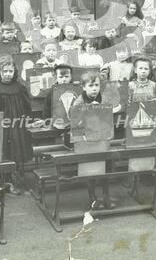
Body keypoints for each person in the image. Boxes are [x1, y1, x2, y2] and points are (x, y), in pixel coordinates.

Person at [69, 71, 116, 209]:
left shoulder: (104, 99)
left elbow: (109, 119)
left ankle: (106, 196)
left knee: (105, 169)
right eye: (91, 85)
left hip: (102, 139)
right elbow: (76, 125)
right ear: (84, 87)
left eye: (97, 85)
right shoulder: (78, 103)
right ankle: (92, 197)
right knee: (91, 170)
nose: (94, 88)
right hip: (87, 142)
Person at [0, 58, 33, 193]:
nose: (8, 74)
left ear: (14, 72)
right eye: (5, 71)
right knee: (6, 150)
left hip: (18, 124)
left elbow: (27, 106)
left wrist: (25, 120)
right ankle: (6, 179)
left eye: (10, 71)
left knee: (18, 148)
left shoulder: (20, 88)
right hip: (3, 124)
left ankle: (18, 175)